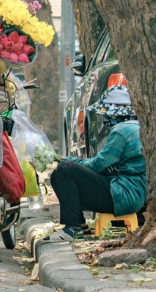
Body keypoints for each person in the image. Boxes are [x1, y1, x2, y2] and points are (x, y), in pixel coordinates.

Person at [48, 85, 146, 241]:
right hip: (135, 196)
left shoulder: (122, 131)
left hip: (123, 195)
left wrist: (70, 160)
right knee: (57, 175)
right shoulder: (137, 127)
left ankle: (72, 229)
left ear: (113, 114)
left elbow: (99, 164)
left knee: (65, 170)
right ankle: (80, 226)